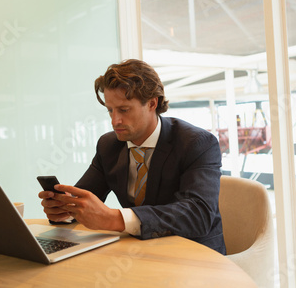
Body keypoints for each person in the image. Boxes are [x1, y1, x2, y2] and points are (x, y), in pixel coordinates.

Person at [38, 59, 226, 254]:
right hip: (138, 253)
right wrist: (65, 211)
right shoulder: (108, 146)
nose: (114, 120)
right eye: (110, 110)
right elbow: (85, 198)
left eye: (124, 110)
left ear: (152, 103)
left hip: (195, 256)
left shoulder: (196, 143)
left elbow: (198, 215)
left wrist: (115, 218)